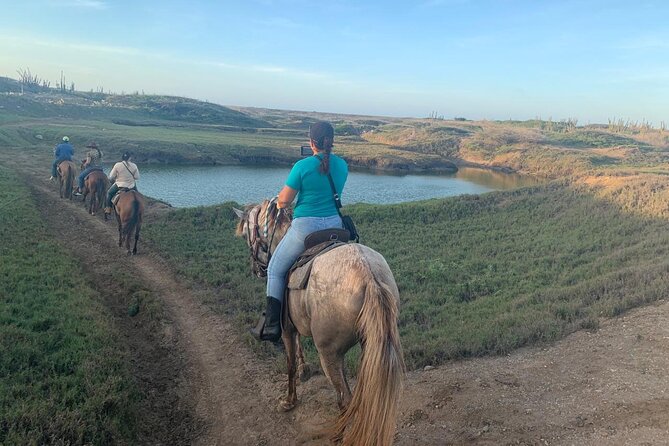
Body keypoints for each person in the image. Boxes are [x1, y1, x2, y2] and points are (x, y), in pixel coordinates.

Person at [255, 121, 348, 342]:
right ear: (331, 142)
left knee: (275, 270)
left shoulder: (302, 166)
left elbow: (285, 200)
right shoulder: (343, 165)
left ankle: (272, 326)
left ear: (311, 142)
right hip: (336, 226)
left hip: (306, 228)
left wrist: (279, 202)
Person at [104, 151, 140, 215]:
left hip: (119, 185)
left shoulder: (117, 165)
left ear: (122, 158)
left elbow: (111, 177)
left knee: (109, 193)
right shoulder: (134, 165)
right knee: (138, 196)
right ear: (130, 158)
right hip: (131, 185)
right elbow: (137, 177)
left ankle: (108, 208)